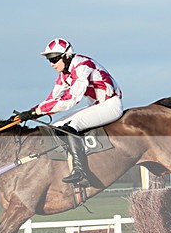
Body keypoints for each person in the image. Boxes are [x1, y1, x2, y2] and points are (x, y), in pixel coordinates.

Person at [16, 38, 123, 184]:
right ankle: (71, 164)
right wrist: (29, 113)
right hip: (97, 106)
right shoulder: (64, 73)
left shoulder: (83, 66)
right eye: (49, 60)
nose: (51, 64)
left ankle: (81, 171)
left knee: (71, 127)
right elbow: (53, 97)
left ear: (66, 56)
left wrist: (38, 112)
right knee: (57, 126)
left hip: (111, 105)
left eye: (54, 59)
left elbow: (71, 99)